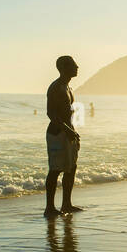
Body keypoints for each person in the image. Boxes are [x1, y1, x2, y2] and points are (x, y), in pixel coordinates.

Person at [44, 55, 82, 218]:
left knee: (71, 167)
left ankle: (67, 203)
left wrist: (73, 131)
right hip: (57, 133)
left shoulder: (68, 88)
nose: (77, 67)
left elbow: (67, 113)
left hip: (69, 132)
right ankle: (49, 208)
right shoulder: (56, 87)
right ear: (64, 68)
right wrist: (67, 130)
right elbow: (51, 113)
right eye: (74, 65)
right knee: (55, 170)